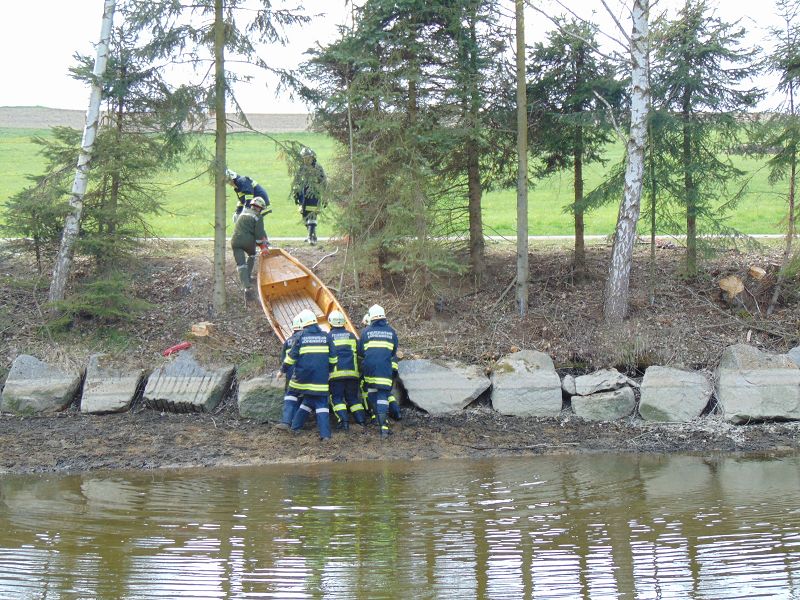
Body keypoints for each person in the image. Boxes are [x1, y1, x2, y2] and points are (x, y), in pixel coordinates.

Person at [285, 309, 338, 440]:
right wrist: (330, 370)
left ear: (303, 324)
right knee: (321, 405)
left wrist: (282, 370)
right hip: (320, 380)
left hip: (302, 380)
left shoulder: (300, 336)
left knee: (306, 400)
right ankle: (325, 435)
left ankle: (294, 426)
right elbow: (333, 359)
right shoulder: (326, 336)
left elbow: (291, 357)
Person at [358, 304, 399, 439]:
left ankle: (379, 420)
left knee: (372, 393)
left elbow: (361, 352)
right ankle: (384, 428)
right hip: (384, 369)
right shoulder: (391, 332)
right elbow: (393, 352)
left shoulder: (365, 332)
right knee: (382, 395)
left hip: (369, 368)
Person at [328, 310, 366, 430]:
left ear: (330, 323)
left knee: (337, 398)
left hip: (335, 375)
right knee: (353, 399)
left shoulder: (328, 337)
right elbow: (359, 353)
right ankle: (361, 421)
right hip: (353, 374)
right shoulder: (351, 336)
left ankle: (344, 421)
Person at [230, 196, 269, 298]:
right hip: (247, 241)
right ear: (260, 208)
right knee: (252, 255)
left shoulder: (243, 212)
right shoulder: (258, 217)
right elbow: (259, 234)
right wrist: (263, 247)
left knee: (241, 264)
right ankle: (248, 276)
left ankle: (246, 286)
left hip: (234, 241)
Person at [290, 147, 326, 245]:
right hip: (303, 196)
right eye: (304, 158)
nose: (306, 160)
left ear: (312, 158)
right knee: (305, 217)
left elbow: (324, 182)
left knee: (312, 215)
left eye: (308, 158)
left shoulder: (317, 168)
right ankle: (312, 234)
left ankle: (311, 237)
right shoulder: (301, 169)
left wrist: (325, 197)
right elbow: (296, 182)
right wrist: (295, 194)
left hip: (314, 195)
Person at [275, 314, 304, 430]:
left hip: (292, 376)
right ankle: (297, 424)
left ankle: (287, 421)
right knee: (303, 399)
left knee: (290, 397)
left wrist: (282, 371)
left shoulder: (288, 341)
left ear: (293, 327)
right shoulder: (307, 339)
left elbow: (284, 360)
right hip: (306, 375)